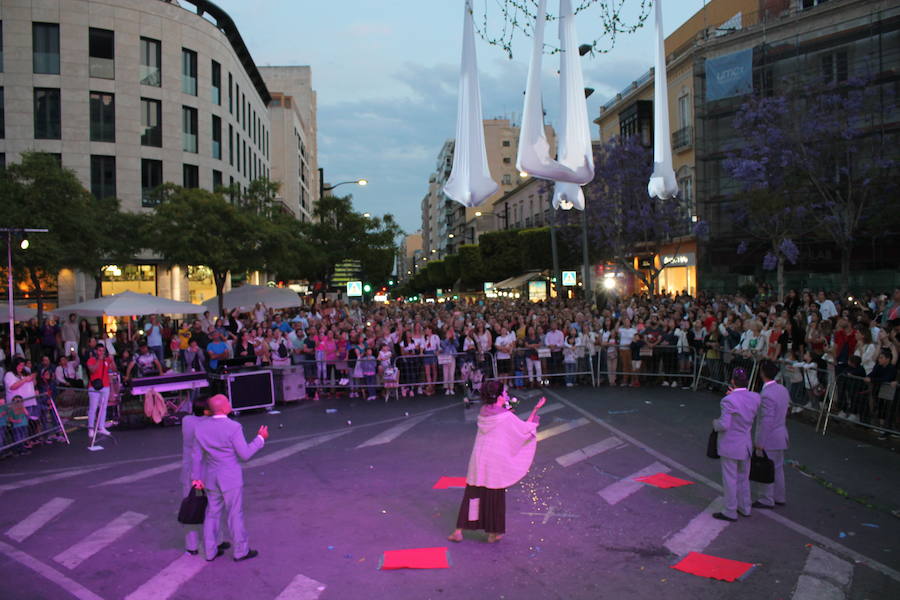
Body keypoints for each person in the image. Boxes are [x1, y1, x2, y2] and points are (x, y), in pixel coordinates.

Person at [448, 381, 544, 544]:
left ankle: (459, 531)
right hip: (494, 461)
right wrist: (535, 410)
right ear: (499, 396)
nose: (506, 395)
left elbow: (499, 416)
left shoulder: (484, 411)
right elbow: (524, 431)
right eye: (504, 393)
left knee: (473, 493)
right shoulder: (505, 416)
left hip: (479, 458)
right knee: (494, 495)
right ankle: (494, 532)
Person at [191, 394, 269, 562]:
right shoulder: (233, 427)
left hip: (211, 476)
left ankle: (210, 551)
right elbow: (245, 454)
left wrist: (196, 477)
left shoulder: (200, 428)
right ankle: (241, 551)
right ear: (222, 408)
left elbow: (196, 456)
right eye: (227, 401)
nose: (230, 403)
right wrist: (260, 439)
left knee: (212, 513)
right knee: (234, 514)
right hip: (230, 477)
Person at [181, 398, 231, 556]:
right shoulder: (208, 426)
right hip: (206, 472)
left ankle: (192, 545)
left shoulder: (186, 421)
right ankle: (215, 543)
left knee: (192, 507)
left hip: (190, 473)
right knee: (212, 508)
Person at [712, 368, 760, 522]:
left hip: (730, 444)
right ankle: (745, 507)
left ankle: (730, 510)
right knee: (743, 478)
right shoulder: (755, 397)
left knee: (730, 478)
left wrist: (714, 424)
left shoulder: (728, 400)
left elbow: (724, 425)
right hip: (745, 443)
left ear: (732, 381)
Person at [753, 360, 789, 510]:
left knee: (766, 468)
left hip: (770, 437)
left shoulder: (767, 394)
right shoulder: (782, 389)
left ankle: (767, 498)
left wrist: (760, 441)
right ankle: (779, 496)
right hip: (781, 433)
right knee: (778, 467)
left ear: (762, 373)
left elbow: (767, 420)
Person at [86, 344, 117, 439]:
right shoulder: (91, 360)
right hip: (94, 387)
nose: (101, 352)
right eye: (99, 350)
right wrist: (99, 359)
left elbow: (114, 369)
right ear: (95, 351)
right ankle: (91, 428)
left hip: (105, 386)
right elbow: (92, 370)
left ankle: (101, 427)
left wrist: (112, 360)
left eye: (103, 350)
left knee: (103, 408)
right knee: (93, 408)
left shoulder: (107, 360)